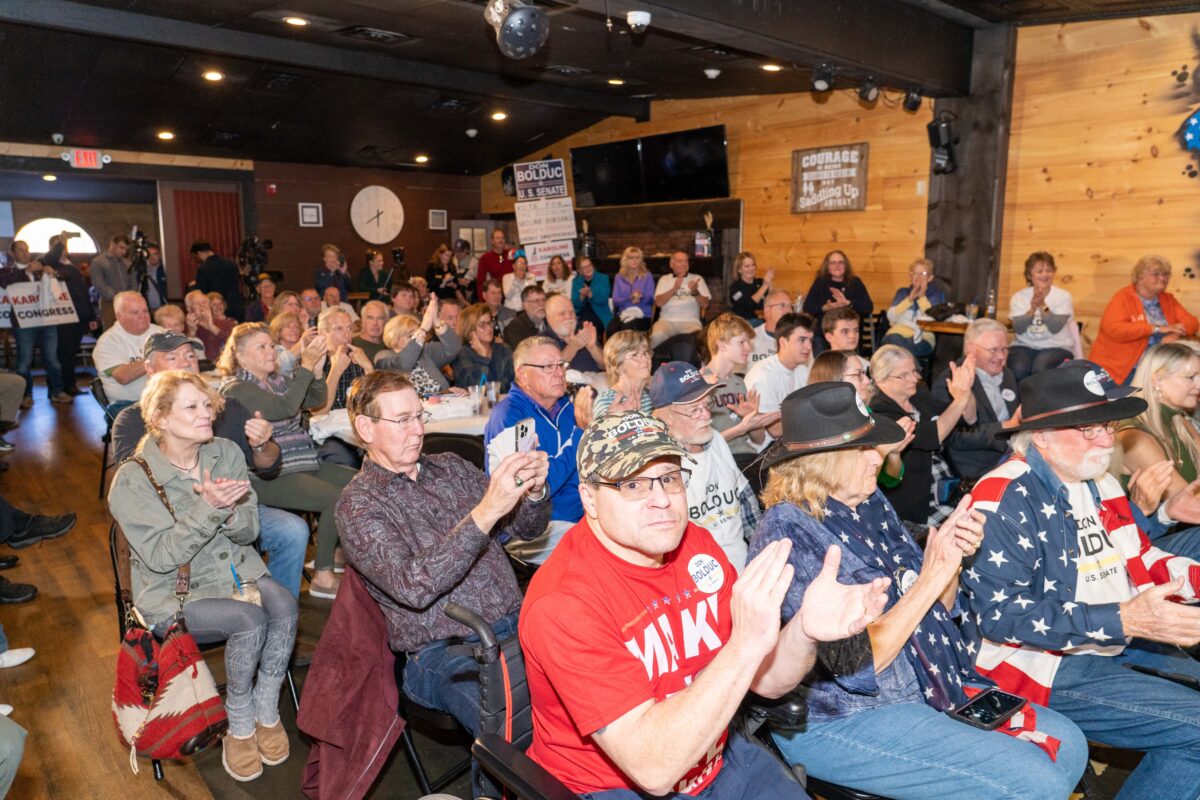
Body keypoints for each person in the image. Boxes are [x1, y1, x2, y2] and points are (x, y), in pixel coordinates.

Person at [519, 410, 890, 799]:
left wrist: (803, 631)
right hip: (613, 788)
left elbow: (768, 680)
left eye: (670, 478)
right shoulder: (565, 601)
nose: (661, 500)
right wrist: (745, 645)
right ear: (589, 500)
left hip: (714, 755)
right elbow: (653, 769)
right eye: (633, 485)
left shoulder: (695, 544)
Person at [749, 382, 1087, 800]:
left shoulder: (867, 504)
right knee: (1033, 782)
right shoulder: (789, 530)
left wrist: (954, 560)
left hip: (929, 682)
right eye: (864, 449)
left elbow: (938, 611)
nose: (880, 456)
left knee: (1070, 746)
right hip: (841, 717)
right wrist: (932, 575)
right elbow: (858, 665)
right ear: (821, 461)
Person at [965, 360, 1200, 800]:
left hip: (1110, 643)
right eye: (1087, 429)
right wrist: (1125, 619)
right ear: (1041, 436)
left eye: (1107, 425)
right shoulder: (1005, 493)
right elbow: (999, 616)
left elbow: (1141, 557)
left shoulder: (1102, 481)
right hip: (1038, 666)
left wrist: (1195, 579)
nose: (1106, 439)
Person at [107, 370, 298, 782]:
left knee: (284, 602)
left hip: (233, 571)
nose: (205, 413)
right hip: (173, 592)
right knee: (250, 619)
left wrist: (227, 510)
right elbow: (160, 558)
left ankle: (266, 707)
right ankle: (239, 720)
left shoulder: (225, 452)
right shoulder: (134, 479)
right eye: (192, 406)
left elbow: (249, 532)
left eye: (207, 404)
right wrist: (208, 508)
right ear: (160, 418)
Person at [337, 370, 549, 733]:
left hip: (520, 623)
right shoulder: (358, 505)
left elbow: (526, 528)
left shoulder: (451, 466)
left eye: (420, 416)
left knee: (593, 693)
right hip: (445, 651)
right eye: (403, 420)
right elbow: (413, 588)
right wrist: (485, 513)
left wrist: (534, 492)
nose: (418, 430)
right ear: (366, 428)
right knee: (515, 735)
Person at [111, 331, 309, 598]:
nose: (185, 362)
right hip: (172, 520)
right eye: (172, 357)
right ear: (148, 368)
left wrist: (262, 443)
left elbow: (268, 466)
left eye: (190, 356)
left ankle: (276, 603)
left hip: (232, 509)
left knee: (293, 530)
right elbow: (136, 487)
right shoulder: (133, 419)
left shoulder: (227, 407)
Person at [217, 323, 356, 600]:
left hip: (301, 461)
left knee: (359, 482)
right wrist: (305, 366)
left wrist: (315, 372)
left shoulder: (276, 381)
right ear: (241, 356)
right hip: (264, 475)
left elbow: (314, 400)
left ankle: (341, 551)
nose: (271, 351)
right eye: (262, 347)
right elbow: (285, 408)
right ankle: (323, 574)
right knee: (336, 498)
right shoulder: (236, 387)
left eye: (271, 345)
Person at [650, 361, 760, 570]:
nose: (707, 416)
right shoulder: (661, 464)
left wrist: (762, 557)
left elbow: (747, 505)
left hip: (744, 566)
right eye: (694, 410)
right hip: (701, 577)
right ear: (666, 417)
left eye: (707, 405)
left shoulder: (716, 440)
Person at [484, 337, 582, 566]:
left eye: (561, 365)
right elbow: (535, 487)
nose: (559, 373)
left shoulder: (568, 407)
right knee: (596, 553)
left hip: (581, 515)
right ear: (522, 374)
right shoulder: (509, 417)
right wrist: (581, 434)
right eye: (548, 367)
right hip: (531, 531)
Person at [870, 344, 973, 526]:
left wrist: (967, 390)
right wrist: (961, 398)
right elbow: (935, 435)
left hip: (949, 486)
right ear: (880, 379)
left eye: (914, 371)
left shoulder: (917, 397)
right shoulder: (880, 412)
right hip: (919, 503)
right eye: (904, 375)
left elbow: (967, 418)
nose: (914, 379)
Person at [1117, 343, 1200, 540]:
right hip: (1151, 541)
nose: (1199, 384)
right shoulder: (1134, 436)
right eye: (1191, 377)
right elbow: (1186, 501)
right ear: (1157, 380)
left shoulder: (1181, 422)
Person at [932, 318, 1021, 483]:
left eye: (1004, 349)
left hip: (1011, 457)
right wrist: (1003, 428)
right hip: (975, 468)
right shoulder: (950, 382)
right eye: (993, 350)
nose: (1001, 356)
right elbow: (954, 438)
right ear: (970, 350)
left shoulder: (1007, 375)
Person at [809, 350, 913, 489]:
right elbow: (855, 489)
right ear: (835, 380)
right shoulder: (827, 428)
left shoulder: (865, 413)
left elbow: (891, 480)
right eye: (858, 374)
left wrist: (894, 453)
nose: (867, 380)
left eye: (864, 373)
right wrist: (881, 451)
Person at [1091, 254, 1199, 385]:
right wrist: (1155, 329)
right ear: (1140, 277)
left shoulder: (1167, 299)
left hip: (1156, 368)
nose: (1162, 278)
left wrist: (1174, 334)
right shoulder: (1123, 298)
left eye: (1166, 274)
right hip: (1121, 369)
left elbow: (1192, 323)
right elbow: (1114, 329)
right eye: (1156, 274)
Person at [0, 241, 70, 407]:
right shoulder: (8, 270)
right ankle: (25, 395)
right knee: (24, 361)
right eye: (22, 251)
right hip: (24, 324)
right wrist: (26, 271)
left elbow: (66, 277)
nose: (26, 253)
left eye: (28, 249)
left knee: (52, 359)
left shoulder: (40, 270)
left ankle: (57, 391)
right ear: (13, 254)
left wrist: (53, 273)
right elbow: (4, 281)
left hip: (47, 320)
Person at [702, 313, 778, 459]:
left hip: (746, 455)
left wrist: (752, 417)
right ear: (722, 345)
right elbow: (702, 443)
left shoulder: (738, 382)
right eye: (742, 342)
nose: (748, 348)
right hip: (718, 457)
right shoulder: (702, 382)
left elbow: (759, 439)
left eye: (748, 342)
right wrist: (742, 428)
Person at [1008, 252, 1082, 381]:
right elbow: (1019, 328)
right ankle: (1019, 401)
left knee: (1041, 367)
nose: (1044, 275)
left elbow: (1055, 327)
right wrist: (1032, 309)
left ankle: (1038, 402)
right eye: (1039, 271)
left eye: (1048, 270)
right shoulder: (1019, 297)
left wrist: (1042, 306)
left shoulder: (1062, 296)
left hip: (1057, 346)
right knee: (1018, 367)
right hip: (1024, 345)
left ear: (1054, 273)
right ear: (1029, 275)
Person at [43, 234, 97, 395]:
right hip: (63, 316)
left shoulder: (72, 266)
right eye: (59, 246)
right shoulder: (49, 265)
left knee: (72, 352)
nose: (62, 249)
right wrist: (59, 242)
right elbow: (51, 258)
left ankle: (70, 385)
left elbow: (84, 293)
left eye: (64, 246)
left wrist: (91, 317)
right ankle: (59, 387)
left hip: (79, 315)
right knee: (63, 353)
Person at [745, 312, 815, 437]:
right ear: (783, 342)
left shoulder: (803, 370)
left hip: (794, 441)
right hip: (767, 450)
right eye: (802, 340)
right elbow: (776, 430)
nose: (809, 347)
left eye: (810, 340)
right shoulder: (763, 375)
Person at [93, 291, 166, 408]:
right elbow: (123, 376)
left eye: (145, 311)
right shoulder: (108, 342)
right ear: (119, 315)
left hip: (164, 398)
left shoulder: (161, 332)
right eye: (135, 312)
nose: (143, 316)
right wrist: (158, 356)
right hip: (128, 405)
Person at [375, 300, 462, 395]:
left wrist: (436, 321)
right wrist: (423, 328)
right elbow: (403, 365)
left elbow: (454, 348)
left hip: (442, 403)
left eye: (417, 334)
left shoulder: (425, 351)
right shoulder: (383, 356)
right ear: (394, 338)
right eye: (410, 336)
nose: (418, 338)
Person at [311, 307, 374, 432]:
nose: (347, 334)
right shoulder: (311, 361)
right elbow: (318, 412)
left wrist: (369, 369)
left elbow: (377, 405)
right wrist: (336, 370)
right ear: (323, 333)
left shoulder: (358, 356)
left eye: (350, 328)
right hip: (328, 432)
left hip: (361, 427)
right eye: (339, 328)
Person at [802, 250, 873, 355]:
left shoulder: (855, 282)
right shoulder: (821, 282)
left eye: (840, 262)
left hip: (849, 333)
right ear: (827, 266)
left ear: (846, 265)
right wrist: (825, 308)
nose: (837, 266)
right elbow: (807, 307)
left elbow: (868, 307)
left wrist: (848, 303)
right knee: (819, 345)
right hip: (824, 334)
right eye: (833, 263)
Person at [883, 258, 946, 357]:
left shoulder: (935, 294)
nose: (918, 277)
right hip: (897, 334)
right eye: (915, 273)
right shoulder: (902, 292)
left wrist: (922, 297)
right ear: (911, 276)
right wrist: (909, 299)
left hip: (923, 337)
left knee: (897, 351)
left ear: (930, 278)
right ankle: (914, 369)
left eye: (923, 274)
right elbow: (891, 317)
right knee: (894, 341)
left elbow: (934, 319)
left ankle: (911, 369)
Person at [651, 250, 711, 349]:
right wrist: (674, 290)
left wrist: (695, 291)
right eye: (680, 261)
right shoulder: (664, 279)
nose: (683, 264)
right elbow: (659, 302)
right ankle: (654, 363)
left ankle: (690, 364)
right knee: (656, 335)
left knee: (694, 339)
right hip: (666, 321)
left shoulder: (697, 279)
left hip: (691, 322)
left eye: (686, 261)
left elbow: (705, 305)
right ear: (671, 264)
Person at [453, 303, 515, 394]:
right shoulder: (462, 354)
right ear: (470, 330)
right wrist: (483, 358)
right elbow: (476, 390)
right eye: (482, 325)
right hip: (475, 406)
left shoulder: (503, 349)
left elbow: (515, 384)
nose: (489, 328)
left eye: (490, 323)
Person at [592, 331, 653, 417]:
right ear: (618, 366)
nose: (645, 359)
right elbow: (600, 429)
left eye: (645, 353)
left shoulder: (653, 397)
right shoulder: (606, 401)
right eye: (635, 355)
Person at [544, 293, 603, 374]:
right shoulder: (542, 341)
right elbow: (551, 373)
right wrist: (573, 347)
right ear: (548, 317)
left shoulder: (582, 332)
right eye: (562, 313)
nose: (568, 317)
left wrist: (593, 348)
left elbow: (606, 366)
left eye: (572, 312)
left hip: (595, 384)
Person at [191, 241, 245, 321]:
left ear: (199, 253)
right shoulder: (231, 264)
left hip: (216, 309)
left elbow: (201, 292)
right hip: (236, 306)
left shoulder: (203, 268)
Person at [89, 233, 132, 329]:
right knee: (111, 332)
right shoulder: (98, 262)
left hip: (128, 302)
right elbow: (99, 284)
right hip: (108, 303)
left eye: (126, 249)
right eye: (121, 248)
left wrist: (131, 296)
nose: (124, 252)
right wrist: (116, 296)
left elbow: (132, 282)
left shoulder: (127, 263)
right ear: (112, 244)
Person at [610, 245, 655, 335]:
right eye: (631, 258)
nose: (634, 260)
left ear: (641, 260)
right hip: (623, 314)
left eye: (637, 258)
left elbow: (651, 299)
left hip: (642, 315)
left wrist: (641, 297)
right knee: (611, 330)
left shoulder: (647, 276)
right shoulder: (619, 277)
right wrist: (629, 298)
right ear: (625, 260)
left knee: (627, 330)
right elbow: (616, 301)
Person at [185, 289, 235, 362]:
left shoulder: (227, 323)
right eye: (197, 303)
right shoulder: (185, 326)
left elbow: (235, 343)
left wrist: (212, 327)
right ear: (189, 309)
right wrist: (191, 332)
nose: (202, 305)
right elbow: (185, 352)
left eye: (204, 302)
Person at [727, 251, 773, 325]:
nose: (751, 268)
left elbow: (771, 302)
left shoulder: (760, 282)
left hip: (763, 322)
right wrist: (765, 286)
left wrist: (770, 285)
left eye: (753, 265)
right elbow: (750, 305)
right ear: (739, 270)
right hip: (744, 324)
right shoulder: (735, 288)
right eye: (747, 266)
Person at [750, 289, 793, 367]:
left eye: (790, 306)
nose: (788, 311)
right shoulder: (751, 338)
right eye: (782, 305)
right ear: (767, 311)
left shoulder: (799, 340)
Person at [570, 255, 612, 331]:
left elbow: (603, 300)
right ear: (580, 271)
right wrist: (582, 296)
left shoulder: (603, 278)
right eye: (584, 267)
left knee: (584, 326)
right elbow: (575, 305)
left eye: (589, 265)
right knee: (580, 325)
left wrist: (591, 295)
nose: (588, 268)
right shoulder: (576, 281)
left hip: (600, 314)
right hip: (581, 314)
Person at [501, 285, 549, 350]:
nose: (541, 304)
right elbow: (523, 356)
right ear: (524, 305)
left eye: (543, 300)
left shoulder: (551, 321)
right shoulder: (515, 328)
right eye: (536, 301)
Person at [476, 228, 513, 300]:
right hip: (494, 297)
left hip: (511, 296)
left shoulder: (511, 255)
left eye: (503, 238)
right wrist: (483, 300)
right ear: (492, 241)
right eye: (497, 238)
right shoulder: (485, 258)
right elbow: (480, 282)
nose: (500, 240)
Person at [268, 311, 306, 379]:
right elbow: (280, 369)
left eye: (296, 326)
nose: (293, 330)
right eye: (288, 326)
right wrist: (301, 343)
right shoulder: (273, 351)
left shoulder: (303, 351)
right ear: (278, 330)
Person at [143, 243, 168, 312]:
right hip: (147, 310)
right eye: (149, 254)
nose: (152, 257)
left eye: (155, 254)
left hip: (164, 308)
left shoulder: (166, 270)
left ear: (160, 255)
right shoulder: (143, 272)